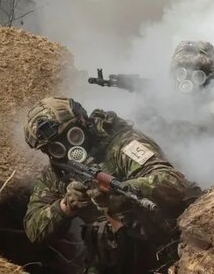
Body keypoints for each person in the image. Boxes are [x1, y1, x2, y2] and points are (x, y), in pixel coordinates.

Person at [22, 97, 200, 274]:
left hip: (161, 245)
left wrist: (121, 194)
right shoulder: (56, 174)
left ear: (84, 123)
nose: (70, 148)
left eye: (74, 135)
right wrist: (65, 206)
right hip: (112, 258)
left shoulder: (123, 143)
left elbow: (172, 180)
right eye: (57, 148)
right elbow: (34, 230)